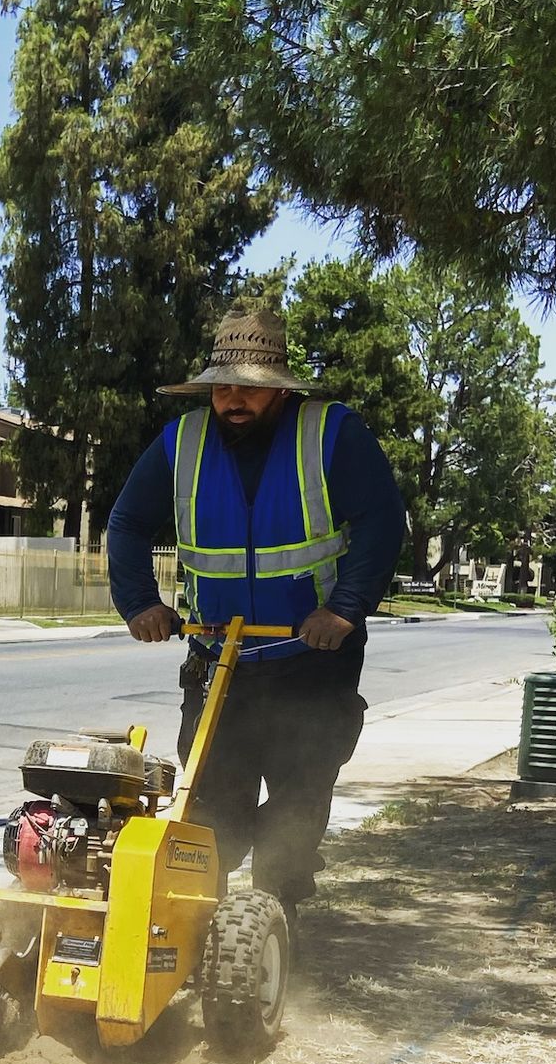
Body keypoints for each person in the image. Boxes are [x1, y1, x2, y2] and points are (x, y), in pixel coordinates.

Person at [104, 305, 407, 921]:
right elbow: (128, 522)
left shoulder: (331, 433)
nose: (234, 398)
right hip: (219, 660)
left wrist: (344, 609)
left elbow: (381, 520)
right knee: (210, 805)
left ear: (278, 388)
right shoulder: (181, 441)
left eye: (249, 386)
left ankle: (278, 914)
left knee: (298, 799)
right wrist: (139, 601)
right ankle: (197, 928)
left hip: (311, 661)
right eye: (223, 385)